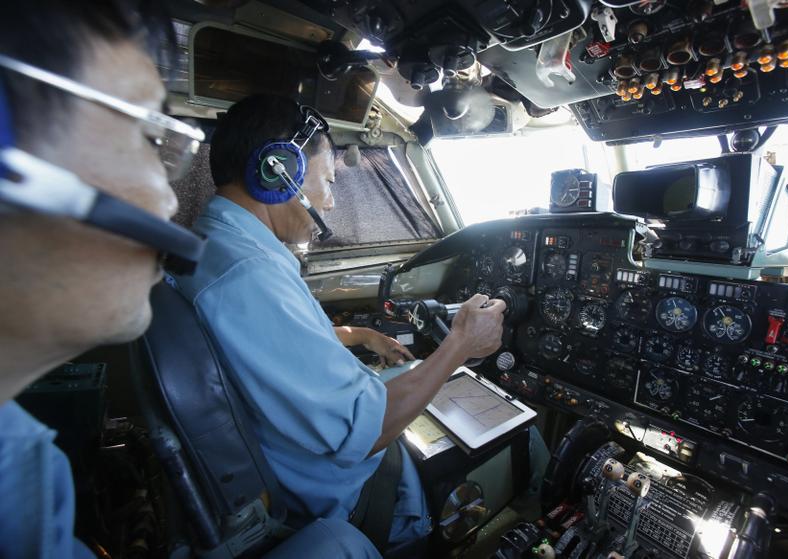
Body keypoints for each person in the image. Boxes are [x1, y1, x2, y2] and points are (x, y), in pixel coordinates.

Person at [0, 4, 379, 558]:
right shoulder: (247, 267)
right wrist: (462, 343)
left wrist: (354, 337)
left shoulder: (25, 461)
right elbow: (352, 432)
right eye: (139, 136)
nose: (162, 198)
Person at [174, 94, 509, 552]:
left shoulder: (213, 248)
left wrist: (357, 334)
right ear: (278, 170)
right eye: (327, 181)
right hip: (348, 493)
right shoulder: (250, 277)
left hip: (287, 462)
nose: (329, 204)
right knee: (513, 436)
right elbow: (366, 432)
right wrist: (460, 345)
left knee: (412, 375)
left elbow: (262, 355)